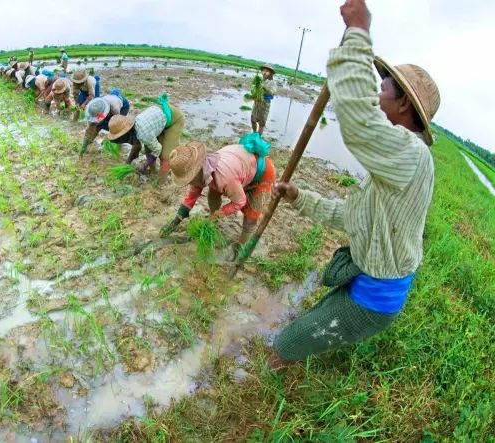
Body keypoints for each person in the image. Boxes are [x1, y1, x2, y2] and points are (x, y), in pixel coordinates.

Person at [268, 0, 441, 367]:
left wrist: (358, 34)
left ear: (403, 106)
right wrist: (299, 197)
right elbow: (351, 216)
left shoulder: (411, 155)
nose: (377, 97)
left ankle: (274, 366)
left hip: (376, 298)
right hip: (367, 269)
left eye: (383, 91)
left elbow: (358, 122)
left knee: (287, 343)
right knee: (310, 321)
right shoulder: (395, 163)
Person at [160, 134, 275, 244]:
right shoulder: (199, 171)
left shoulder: (225, 178)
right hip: (240, 165)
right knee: (213, 194)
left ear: (197, 171)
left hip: (262, 172)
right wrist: (175, 222)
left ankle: (241, 246)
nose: (189, 182)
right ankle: (213, 220)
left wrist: (218, 214)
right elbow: (191, 197)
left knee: (250, 218)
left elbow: (240, 202)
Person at [106, 94, 185, 183]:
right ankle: (153, 172)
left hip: (174, 119)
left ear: (126, 132)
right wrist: (127, 163)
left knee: (165, 156)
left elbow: (157, 148)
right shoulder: (134, 128)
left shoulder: (143, 134)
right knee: (148, 149)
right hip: (157, 121)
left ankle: (160, 184)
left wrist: (145, 163)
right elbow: (137, 147)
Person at [80, 89, 131, 155]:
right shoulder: (95, 107)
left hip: (122, 106)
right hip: (107, 105)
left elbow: (116, 124)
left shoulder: (115, 108)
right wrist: (83, 148)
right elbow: (89, 129)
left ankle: (119, 145)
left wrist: (110, 137)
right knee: (95, 127)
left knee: (116, 128)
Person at [250, 63, 276, 135]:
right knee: (253, 119)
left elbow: (273, 92)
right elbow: (254, 89)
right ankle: (254, 133)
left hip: (265, 104)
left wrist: (265, 88)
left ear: (270, 73)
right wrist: (253, 91)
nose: (264, 73)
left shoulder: (272, 82)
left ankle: (258, 137)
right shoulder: (259, 80)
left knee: (262, 123)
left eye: (267, 71)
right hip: (257, 103)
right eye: (263, 71)